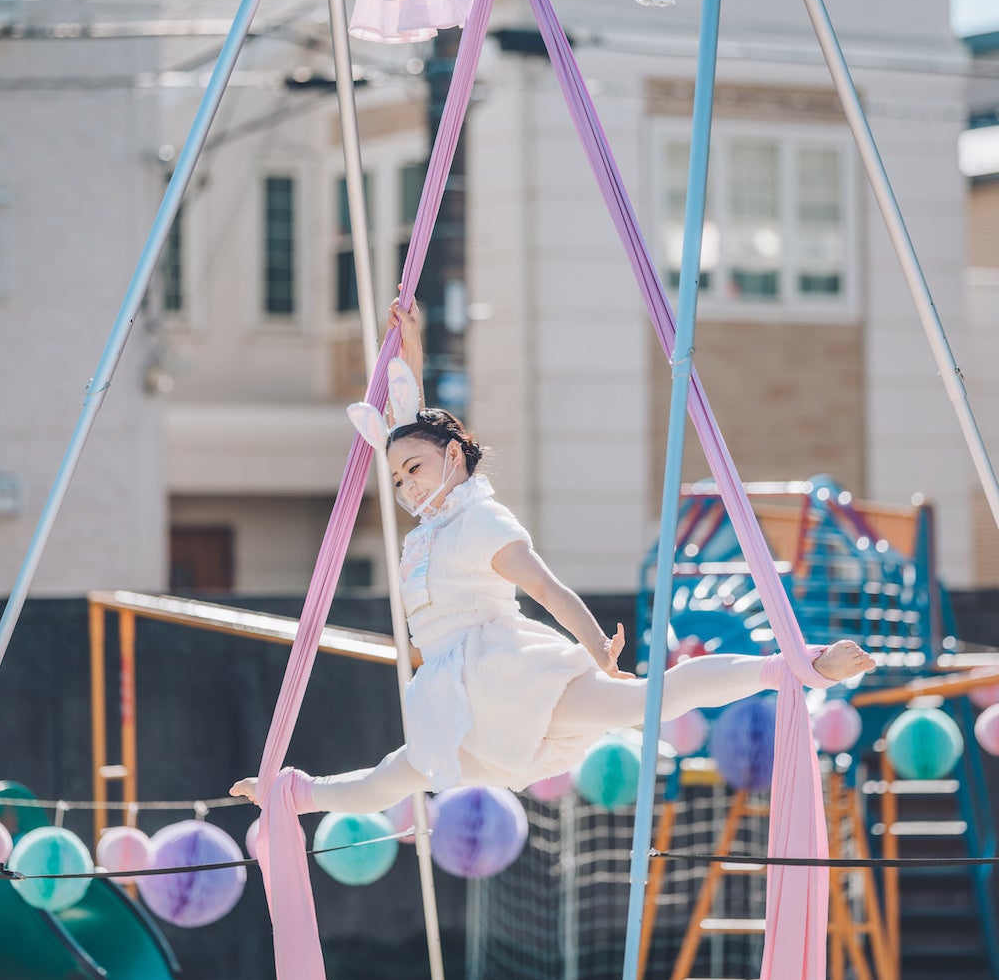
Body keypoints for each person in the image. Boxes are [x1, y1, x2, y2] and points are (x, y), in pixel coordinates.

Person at [231, 300, 874, 816]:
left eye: (416, 471)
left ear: (455, 459)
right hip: (453, 694)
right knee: (387, 781)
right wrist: (412, 352)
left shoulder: (480, 520)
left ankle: (799, 664)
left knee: (645, 702)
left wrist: (598, 649)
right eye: (397, 479)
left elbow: (547, 588)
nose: (406, 486)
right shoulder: (428, 528)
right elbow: (411, 423)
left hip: (503, 671)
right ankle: (286, 793)